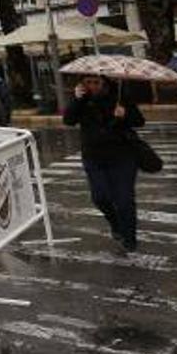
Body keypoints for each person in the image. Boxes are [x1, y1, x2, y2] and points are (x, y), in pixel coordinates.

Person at [63, 75, 145, 252]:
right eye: (88, 82)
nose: (92, 86)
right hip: (94, 157)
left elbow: (139, 120)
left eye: (96, 82)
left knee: (124, 200)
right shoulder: (82, 99)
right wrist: (76, 100)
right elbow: (68, 120)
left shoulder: (120, 96)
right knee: (100, 197)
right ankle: (115, 223)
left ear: (104, 82)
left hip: (122, 156)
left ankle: (129, 238)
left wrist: (125, 115)